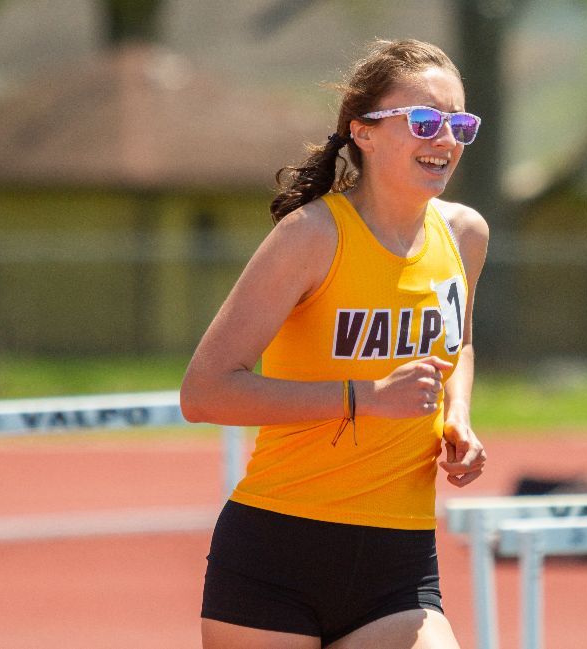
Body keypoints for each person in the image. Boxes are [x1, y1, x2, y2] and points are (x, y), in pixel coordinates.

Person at [180, 39, 489, 649]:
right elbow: (204, 392)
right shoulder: (312, 235)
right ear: (363, 132)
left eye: (459, 124)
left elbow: (460, 343)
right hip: (278, 550)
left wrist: (458, 415)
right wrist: (364, 397)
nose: (445, 139)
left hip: (400, 557)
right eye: (423, 121)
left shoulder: (464, 234)